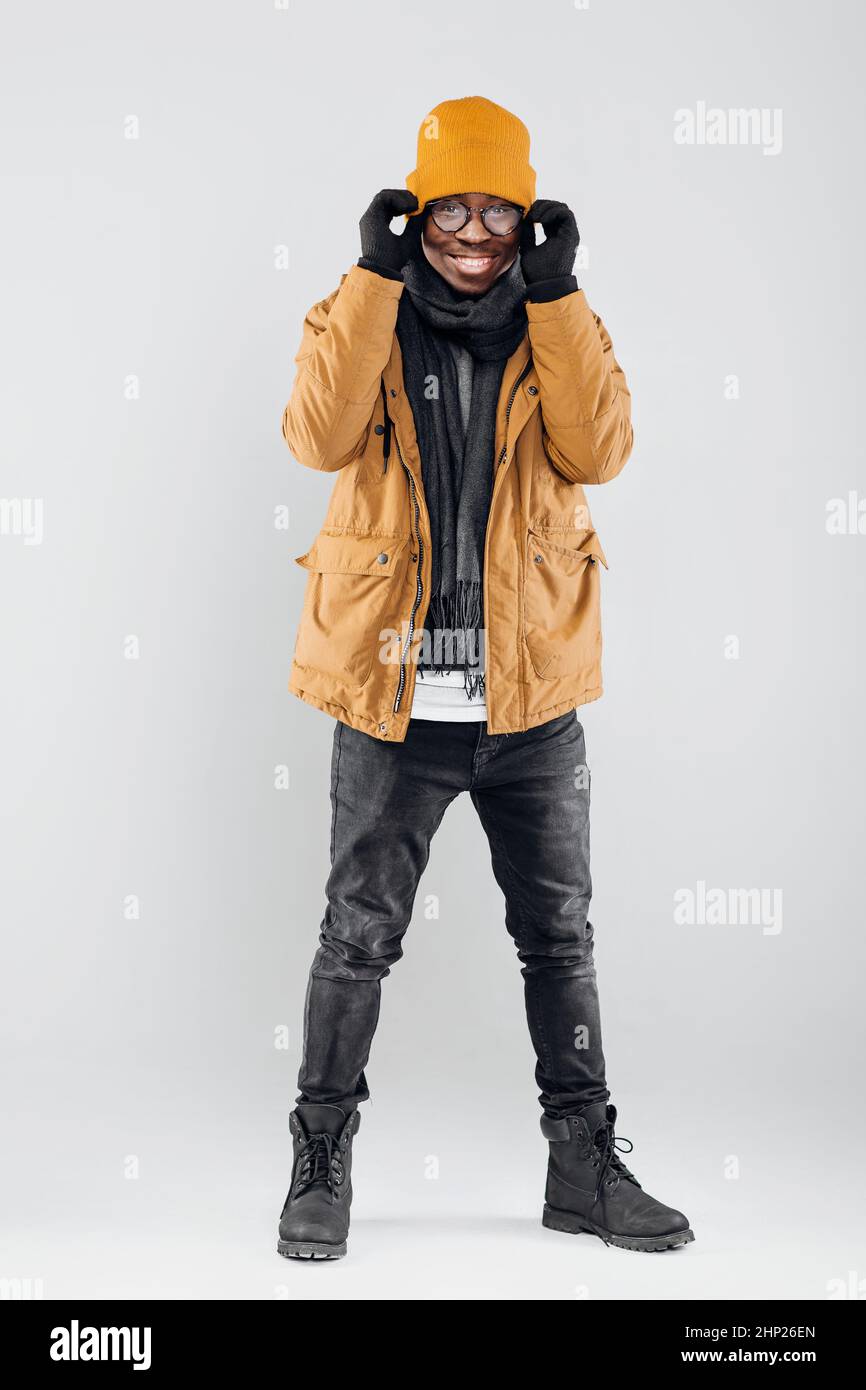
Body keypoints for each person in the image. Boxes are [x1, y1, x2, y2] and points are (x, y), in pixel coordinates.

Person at [277, 96, 693, 1259]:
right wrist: (368, 279)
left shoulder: (560, 322)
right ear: (413, 215)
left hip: (529, 700)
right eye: (447, 206)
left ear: (525, 219)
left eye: (495, 209)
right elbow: (314, 435)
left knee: (558, 940)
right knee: (355, 936)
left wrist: (555, 300)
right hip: (391, 693)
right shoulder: (358, 316)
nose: (470, 230)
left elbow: (597, 451)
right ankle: (319, 1156)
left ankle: (581, 1165)